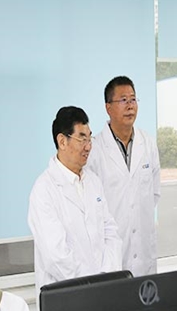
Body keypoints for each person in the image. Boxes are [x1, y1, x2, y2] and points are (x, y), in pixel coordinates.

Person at [28, 106, 122, 297]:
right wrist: (89, 285)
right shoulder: (44, 189)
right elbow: (56, 256)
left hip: (103, 290)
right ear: (62, 141)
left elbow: (111, 232)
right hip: (67, 296)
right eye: (82, 139)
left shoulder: (94, 182)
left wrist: (106, 276)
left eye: (89, 138)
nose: (88, 146)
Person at [87, 76, 161, 276]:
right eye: (123, 100)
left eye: (133, 99)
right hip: (111, 252)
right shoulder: (95, 150)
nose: (130, 106)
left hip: (144, 250)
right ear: (108, 107)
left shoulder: (148, 143)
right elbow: (92, 207)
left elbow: (154, 193)